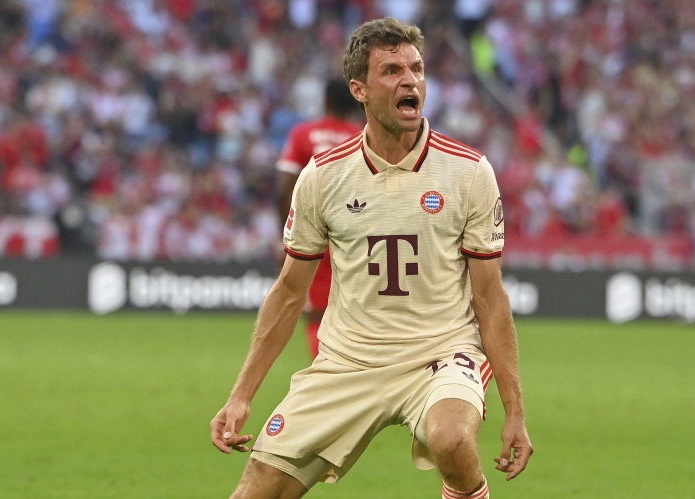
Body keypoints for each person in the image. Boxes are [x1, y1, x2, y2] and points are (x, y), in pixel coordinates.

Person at [210, 17, 533, 499]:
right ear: (358, 89)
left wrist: (515, 411)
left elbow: (489, 296)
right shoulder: (323, 176)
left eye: (416, 69)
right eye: (392, 71)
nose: (410, 80)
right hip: (348, 361)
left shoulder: (469, 171)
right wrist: (240, 396)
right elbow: (289, 292)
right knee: (255, 493)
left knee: (452, 440)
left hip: (441, 354)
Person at [275, 78, 364, 358]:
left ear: (325, 101)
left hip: (315, 237)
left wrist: (286, 239)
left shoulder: (303, 134)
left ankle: (327, 370)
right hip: (355, 237)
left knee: (317, 313)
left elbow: (284, 189)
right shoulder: (363, 137)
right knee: (357, 313)